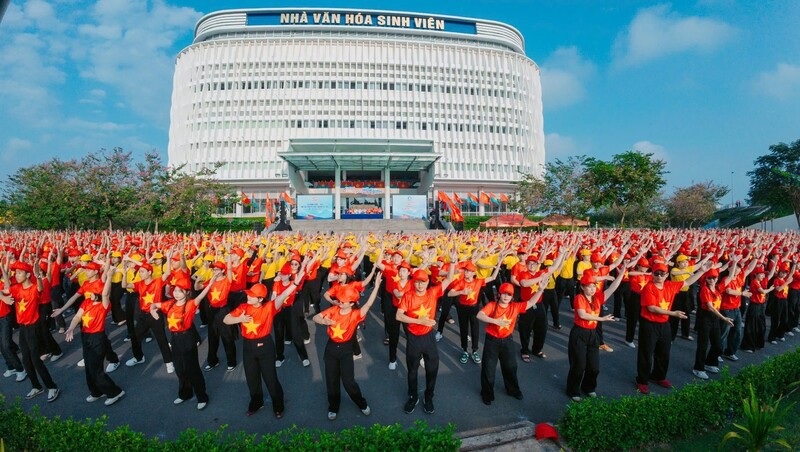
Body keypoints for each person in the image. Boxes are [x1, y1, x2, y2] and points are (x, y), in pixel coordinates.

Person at [224, 268, 304, 419]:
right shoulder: (243, 307)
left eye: (252, 296)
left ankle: (278, 406)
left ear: (260, 299)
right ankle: (257, 402)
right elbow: (226, 319)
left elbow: (283, 295)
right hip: (248, 347)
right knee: (251, 378)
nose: (248, 297)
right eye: (249, 294)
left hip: (265, 346)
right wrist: (239, 319)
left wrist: (296, 282)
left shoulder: (269, 307)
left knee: (270, 378)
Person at [635, 259, 711, 394]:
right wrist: (673, 313)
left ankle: (658, 376)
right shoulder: (648, 287)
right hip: (649, 324)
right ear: (652, 274)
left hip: (664, 323)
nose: (659, 276)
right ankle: (642, 380)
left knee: (664, 352)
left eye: (662, 273)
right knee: (646, 353)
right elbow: (652, 308)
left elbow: (687, 282)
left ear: (666, 275)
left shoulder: (670, 285)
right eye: (656, 273)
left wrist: (701, 271)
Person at [313, 273, 382, 420]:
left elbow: (368, 305)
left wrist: (376, 287)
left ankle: (361, 403)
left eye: (343, 301)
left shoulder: (356, 315)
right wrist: (324, 321)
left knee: (348, 381)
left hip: (346, 350)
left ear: (351, 303)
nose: (340, 303)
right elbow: (316, 317)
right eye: (339, 300)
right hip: (331, 348)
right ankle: (333, 407)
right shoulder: (334, 310)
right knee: (331, 380)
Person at [396, 253, 457, 415]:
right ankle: (413, 396)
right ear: (413, 282)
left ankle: (428, 397)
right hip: (413, 338)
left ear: (427, 282)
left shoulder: (432, 292)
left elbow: (449, 279)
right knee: (412, 371)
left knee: (432, 369)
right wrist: (419, 321)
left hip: (429, 338)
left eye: (423, 282)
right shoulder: (408, 296)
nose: (420, 285)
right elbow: (399, 315)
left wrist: (452, 262)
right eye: (417, 281)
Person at [149, 273, 216, 410]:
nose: (176, 293)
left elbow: (200, 297)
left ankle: (202, 397)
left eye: (180, 291)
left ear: (186, 292)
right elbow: (153, 305)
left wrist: (210, 284)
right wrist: (153, 312)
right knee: (179, 368)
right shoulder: (170, 304)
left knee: (192, 369)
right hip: (175, 338)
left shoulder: (190, 304)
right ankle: (185, 394)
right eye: (175, 290)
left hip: (187, 338)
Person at [63, 261, 125, 406]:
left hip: (97, 337)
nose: (89, 294)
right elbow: (77, 317)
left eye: (92, 293)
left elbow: (105, 293)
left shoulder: (104, 305)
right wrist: (71, 328)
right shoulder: (86, 303)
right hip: (86, 336)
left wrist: (109, 277)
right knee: (89, 367)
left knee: (95, 368)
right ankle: (96, 392)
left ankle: (115, 392)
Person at [477, 282, 545, 405]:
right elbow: (480, 315)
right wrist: (495, 321)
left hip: (507, 340)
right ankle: (487, 393)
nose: (506, 296)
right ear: (499, 294)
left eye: (509, 294)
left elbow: (530, 302)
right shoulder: (492, 305)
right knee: (488, 368)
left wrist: (540, 290)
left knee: (511, 366)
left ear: (512, 297)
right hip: (492, 341)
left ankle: (513, 390)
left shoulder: (515, 307)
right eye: (504, 293)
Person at [1, 261, 59, 402]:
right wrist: (3, 297)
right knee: (26, 360)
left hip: (34, 328)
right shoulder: (16, 288)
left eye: (19, 273)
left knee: (35, 360)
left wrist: (37, 275)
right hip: (23, 328)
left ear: (28, 275)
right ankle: (36, 386)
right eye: (16, 273)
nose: (16, 275)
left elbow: (40, 287)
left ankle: (52, 387)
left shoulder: (33, 288)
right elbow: (4, 290)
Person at [566, 271, 625, 402]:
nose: (592, 289)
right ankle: (573, 390)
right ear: (582, 287)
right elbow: (582, 315)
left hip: (593, 334)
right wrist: (601, 318)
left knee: (594, 367)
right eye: (589, 286)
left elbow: (612, 288)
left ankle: (588, 388)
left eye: (594, 286)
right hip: (579, 333)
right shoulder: (579, 298)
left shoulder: (597, 298)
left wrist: (621, 274)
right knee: (579, 366)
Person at [120, 251, 174, 372]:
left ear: (149, 272)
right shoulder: (139, 284)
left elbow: (167, 273)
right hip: (143, 315)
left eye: (142, 271)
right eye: (140, 272)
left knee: (161, 339)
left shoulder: (157, 281)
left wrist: (169, 259)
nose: (140, 273)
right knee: (135, 337)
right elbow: (124, 285)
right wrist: (125, 272)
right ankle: (138, 357)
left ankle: (169, 362)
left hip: (155, 315)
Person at [447, 257, 505, 365]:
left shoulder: (478, 281)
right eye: (465, 270)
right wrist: (461, 292)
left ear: (473, 273)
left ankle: (474, 351)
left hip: (474, 308)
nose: (466, 273)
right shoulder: (460, 282)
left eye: (469, 271)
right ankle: (465, 350)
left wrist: (498, 265)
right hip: (462, 308)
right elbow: (450, 293)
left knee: (475, 328)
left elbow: (493, 277)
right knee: (464, 328)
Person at [692, 268, 735, 380]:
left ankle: (710, 363)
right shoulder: (704, 290)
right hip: (705, 318)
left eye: (714, 278)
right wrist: (724, 318)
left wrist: (735, 262)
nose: (712, 280)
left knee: (718, 345)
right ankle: (698, 368)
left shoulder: (718, 289)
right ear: (706, 279)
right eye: (709, 278)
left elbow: (730, 277)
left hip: (715, 319)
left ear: (717, 279)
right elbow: (710, 307)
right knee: (703, 345)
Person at [740, 266, 775, 353]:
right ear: (756, 274)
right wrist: (770, 289)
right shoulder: (754, 282)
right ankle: (747, 346)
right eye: (761, 274)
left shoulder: (761, 282)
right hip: (754, 306)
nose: (763, 276)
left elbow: (770, 275)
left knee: (761, 325)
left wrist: (775, 264)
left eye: (763, 274)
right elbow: (762, 291)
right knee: (751, 326)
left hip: (761, 306)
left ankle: (757, 343)